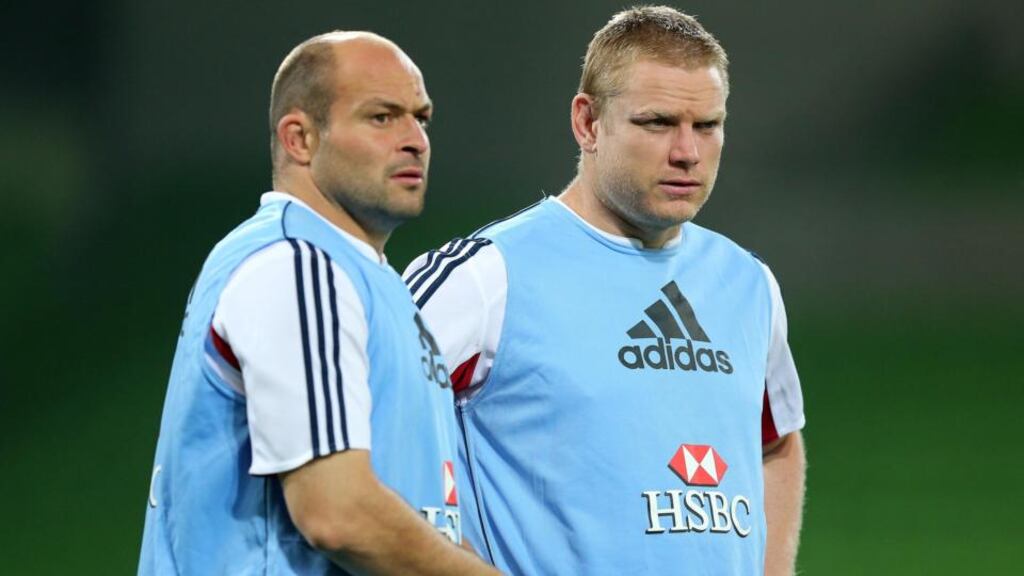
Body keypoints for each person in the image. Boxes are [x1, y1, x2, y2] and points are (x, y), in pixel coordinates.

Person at [403, 7, 806, 575]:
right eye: (657, 123)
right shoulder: (485, 278)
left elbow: (776, 443)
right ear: (588, 123)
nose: (687, 151)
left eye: (707, 125)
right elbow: (367, 448)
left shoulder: (749, 284)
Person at [138, 31, 500, 575]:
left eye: (420, 118)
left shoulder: (374, 283)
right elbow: (338, 512)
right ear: (300, 139)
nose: (415, 140)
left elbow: (426, 520)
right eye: (382, 117)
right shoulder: (296, 264)